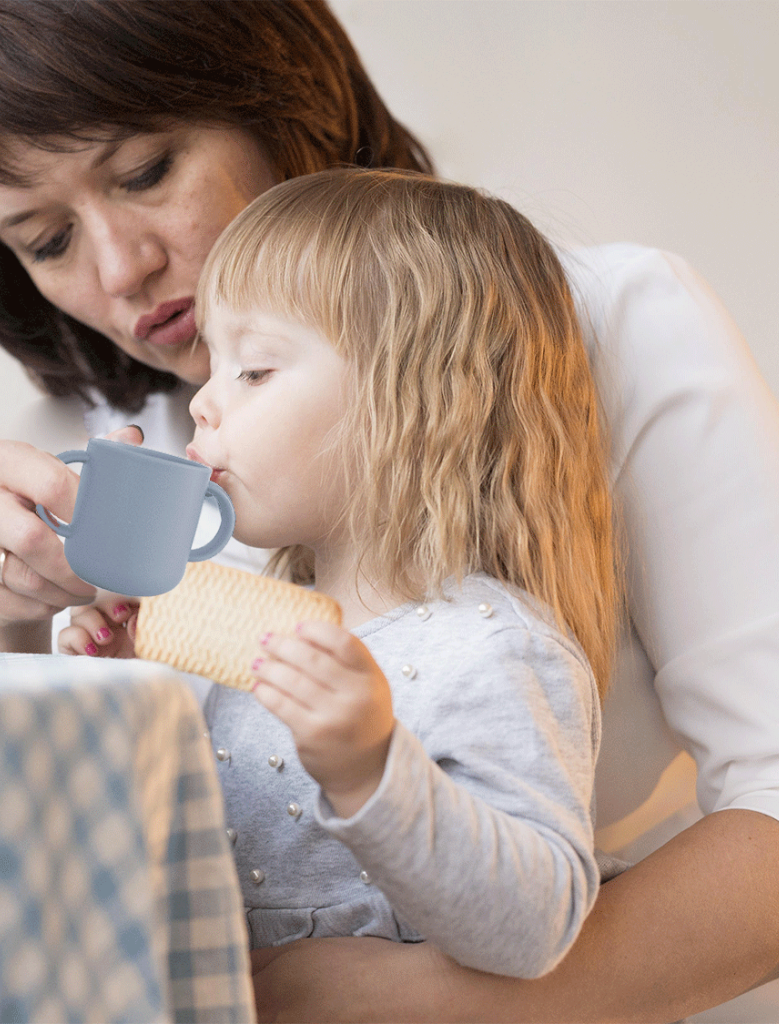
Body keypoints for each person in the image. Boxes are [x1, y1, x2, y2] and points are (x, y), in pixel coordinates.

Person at [0, 1, 779, 1020]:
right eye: (46, 241)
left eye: (143, 173)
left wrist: (428, 1002)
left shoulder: (602, 329)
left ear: (277, 99)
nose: (119, 268)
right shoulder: (115, 444)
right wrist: (2, 612)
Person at [66, 166, 620, 978]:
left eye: (253, 370)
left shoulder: (496, 649)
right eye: (213, 367)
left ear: (420, 400)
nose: (202, 404)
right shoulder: (263, 621)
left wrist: (372, 771)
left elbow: (535, 929)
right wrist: (122, 693)